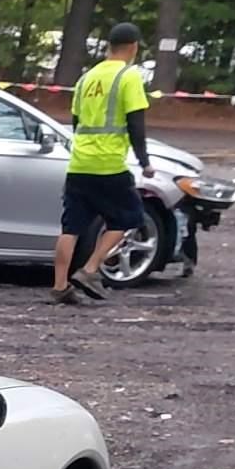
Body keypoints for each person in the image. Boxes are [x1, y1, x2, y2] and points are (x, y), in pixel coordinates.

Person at [52, 21, 155, 304]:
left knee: (70, 227)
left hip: (79, 164)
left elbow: (76, 122)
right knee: (129, 216)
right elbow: (136, 123)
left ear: (109, 46)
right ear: (133, 47)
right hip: (109, 164)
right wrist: (144, 161)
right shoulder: (128, 76)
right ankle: (90, 268)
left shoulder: (87, 78)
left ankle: (60, 286)